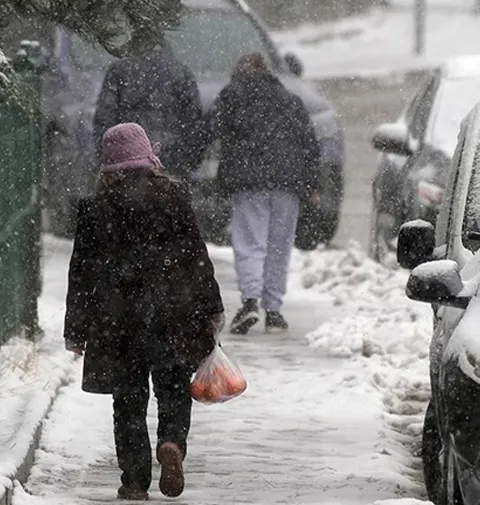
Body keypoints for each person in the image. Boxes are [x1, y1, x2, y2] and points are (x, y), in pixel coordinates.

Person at [63, 123, 225, 501]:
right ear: (148, 156)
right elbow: (196, 258)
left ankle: (134, 480)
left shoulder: (95, 208)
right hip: (173, 313)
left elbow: (81, 272)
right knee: (172, 388)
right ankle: (171, 442)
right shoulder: (174, 197)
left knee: (128, 400)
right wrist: (211, 306)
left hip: (118, 320)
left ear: (108, 164)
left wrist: (76, 327)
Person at [204, 53, 321, 335]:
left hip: (249, 181)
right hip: (288, 183)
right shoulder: (290, 99)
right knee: (279, 247)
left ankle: (250, 302)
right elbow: (309, 143)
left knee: (250, 243)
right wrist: (313, 183)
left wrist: (187, 160)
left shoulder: (233, 95)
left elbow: (208, 129)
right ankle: (275, 311)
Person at [93, 34, 204, 178]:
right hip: (171, 158)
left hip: (128, 159)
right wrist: (190, 159)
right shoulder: (182, 72)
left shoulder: (119, 70)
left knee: (130, 197)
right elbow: (194, 120)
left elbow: (105, 116)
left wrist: (105, 157)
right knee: (167, 197)